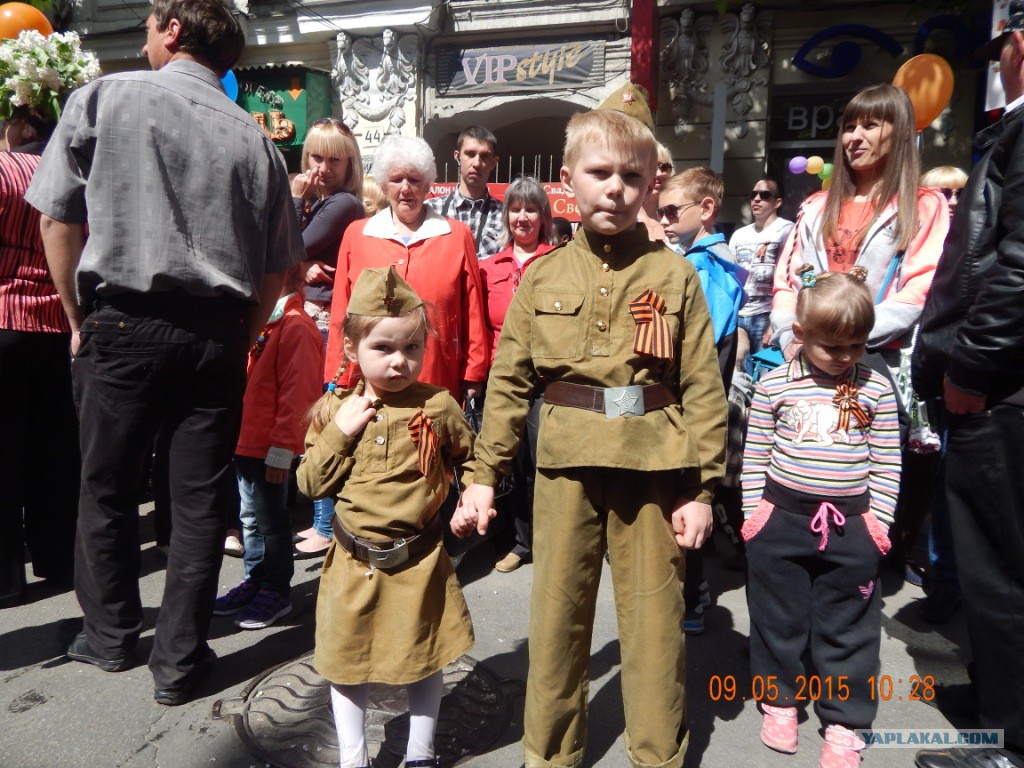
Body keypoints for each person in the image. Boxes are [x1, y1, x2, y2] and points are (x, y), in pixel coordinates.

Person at [25, 0, 304, 705]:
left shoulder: (106, 98)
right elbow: (277, 270)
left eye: (151, 22)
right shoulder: (257, 139)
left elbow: (57, 218)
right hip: (216, 333)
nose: (146, 33)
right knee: (199, 500)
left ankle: (111, 635)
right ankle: (179, 662)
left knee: (108, 488)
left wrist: (76, 315)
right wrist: (241, 335)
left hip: (124, 320)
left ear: (173, 30)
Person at [453, 104, 727, 768]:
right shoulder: (544, 276)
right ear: (568, 177)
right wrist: (484, 476)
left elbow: (702, 387)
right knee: (556, 621)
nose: (615, 189)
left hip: (651, 466)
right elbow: (508, 383)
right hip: (565, 467)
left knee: (655, 625)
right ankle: (550, 756)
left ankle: (657, 757)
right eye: (600, 173)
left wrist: (702, 490)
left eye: (630, 177)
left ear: (650, 184)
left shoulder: (673, 275)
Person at [297, 266, 476, 768]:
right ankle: (353, 758)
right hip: (352, 565)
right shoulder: (336, 409)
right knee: (346, 665)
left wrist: (472, 498)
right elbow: (310, 484)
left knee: (425, 659)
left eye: (412, 348)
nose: (400, 361)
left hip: (420, 564)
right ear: (352, 348)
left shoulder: (437, 405)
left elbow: (472, 458)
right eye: (383, 348)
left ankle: (420, 752)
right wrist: (341, 432)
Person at [770, 83, 948, 583]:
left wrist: (848, 339)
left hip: (874, 364)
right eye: (849, 126)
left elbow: (919, 290)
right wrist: (792, 338)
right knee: (801, 464)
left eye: (871, 124)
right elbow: (789, 282)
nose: (855, 136)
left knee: (865, 474)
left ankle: (860, 567)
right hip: (803, 358)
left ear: (900, 132)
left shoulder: (923, 205)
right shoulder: (815, 205)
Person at [913, 6, 1024, 766]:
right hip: (996, 383)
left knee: (1001, 568)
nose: (1000, 65)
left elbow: (1017, 265)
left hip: (1000, 390)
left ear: (1017, 46)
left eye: (1003, 50)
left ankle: (1010, 739)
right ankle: (996, 700)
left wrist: (971, 365)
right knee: (995, 565)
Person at [742, 267, 901, 768]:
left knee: (849, 626)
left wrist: (878, 524)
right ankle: (779, 699)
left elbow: (887, 460)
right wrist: (753, 517)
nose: (845, 356)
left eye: (857, 345)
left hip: (852, 526)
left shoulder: (875, 389)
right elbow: (755, 454)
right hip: (780, 520)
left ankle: (846, 720)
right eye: (832, 347)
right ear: (801, 334)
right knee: (778, 616)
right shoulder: (773, 387)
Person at [322, 135, 489, 404]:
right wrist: (337, 373)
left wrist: (474, 371)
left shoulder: (457, 236)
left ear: (428, 184)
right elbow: (341, 309)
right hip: (371, 380)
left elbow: (473, 309)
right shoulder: (357, 235)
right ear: (384, 185)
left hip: (436, 374)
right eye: (396, 179)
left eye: (414, 179)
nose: (405, 188)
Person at [657, 166, 745, 634]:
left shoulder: (706, 268)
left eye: (672, 211)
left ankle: (691, 596)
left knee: (685, 497)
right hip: (693, 404)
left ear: (706, 209)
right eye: (661, 212)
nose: (664, 220)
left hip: (690, 407)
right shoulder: (700, 260)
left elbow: (696, 351)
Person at [213, 265, 323, 629]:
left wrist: (281, 450)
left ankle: (276, 589)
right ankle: (255, 578)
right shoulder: (267, 323)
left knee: (272, 521)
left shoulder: (295, 327)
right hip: (247, 441)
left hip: (269, 447)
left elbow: (298, 397)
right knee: (250, 518)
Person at [0, 107, 79, 607]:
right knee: (54, 452)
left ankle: (6, 579)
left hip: (4, 318)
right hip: (55, 324)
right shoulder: (70, 173)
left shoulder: (3, 170)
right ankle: (58, 559)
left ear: (15, 128)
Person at [289, 117, 366, 559]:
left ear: (349, 164)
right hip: (311, 317)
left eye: (334, 160)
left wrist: (295, 199)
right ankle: (321, 518)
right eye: (316, 157)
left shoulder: (341, 204)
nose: (323, 167)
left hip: (323, 322)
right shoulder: (325, 202)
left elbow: (287, 246)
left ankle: (324, 524)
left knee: (322, 421)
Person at [478, 176, 557, 574]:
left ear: (544, 216)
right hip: (503, 383)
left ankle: (550, 541)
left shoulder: (559, 263)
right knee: (508, 464)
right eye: (515, 209)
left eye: (531, 209)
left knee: (545, 466)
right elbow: (479, 327)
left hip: (547, 384)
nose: (522, 217)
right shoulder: (489, 267)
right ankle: (517, 541)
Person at [910, 164, 970, 625]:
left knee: (948, 480)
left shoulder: (972, 245)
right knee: (918, 475)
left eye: (957, 193)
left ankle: (947, 580)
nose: (949, 202)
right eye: (939, 193)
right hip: (915, 375)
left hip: (954, 379)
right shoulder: (913, 243)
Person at [728, 177, 794, 367]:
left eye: (764, 195)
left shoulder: (787, 230)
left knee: (764, 371)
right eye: (753, 195)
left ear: (777, 202)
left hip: (766, 315)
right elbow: (732, 275)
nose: (757, 199)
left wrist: (776, 323)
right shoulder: (739, 234)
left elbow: (789, 277)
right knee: (737, 372)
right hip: (739, 314)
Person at [426, 125, 503, 260]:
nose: (477, 163)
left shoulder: (505, 215)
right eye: (470, 154)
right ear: (457, 157)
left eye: (484, 156)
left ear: (493, 162)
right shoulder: (430, 210)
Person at [637, 142, 674, 241]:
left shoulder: (677, 215)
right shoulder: (623, 219)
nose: (659, 173)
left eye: (665, 167)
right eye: (651, 167)